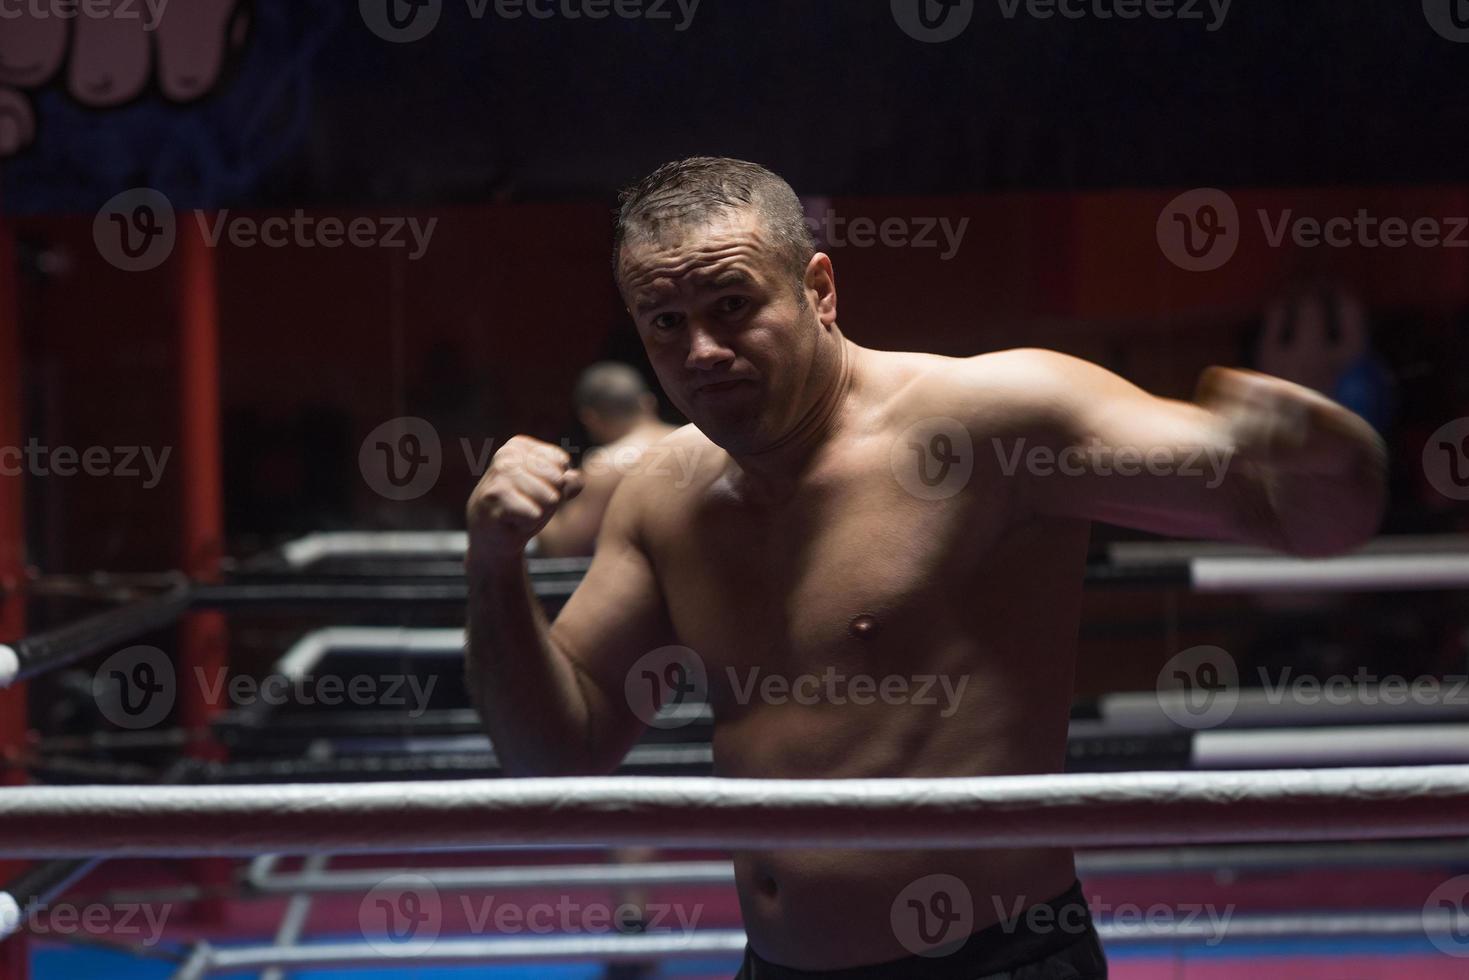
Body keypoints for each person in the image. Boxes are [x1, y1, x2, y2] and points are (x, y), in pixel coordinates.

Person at [464, 157, 1387, 978]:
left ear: (818, 289)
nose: (700, 351)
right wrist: (495, 563)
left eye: (732, 306)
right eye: (665, 321)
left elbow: (1303, 516)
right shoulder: (661, 497)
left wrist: (1323, 452)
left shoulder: (996, 419)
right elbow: (556, 752)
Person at [534, 361, 675, 558]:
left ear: (589, 418)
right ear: (649, 402)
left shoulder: (608, 465)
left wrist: (535, 498)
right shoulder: (700, 443)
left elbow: (565, 547)